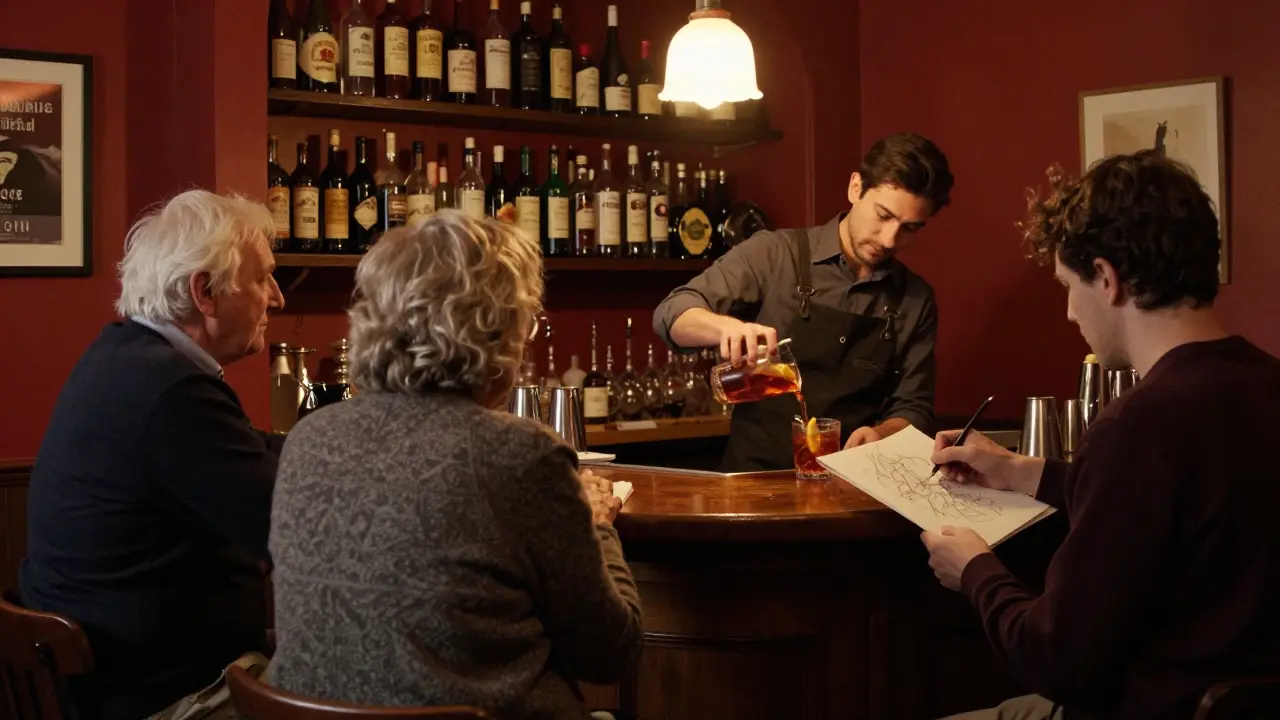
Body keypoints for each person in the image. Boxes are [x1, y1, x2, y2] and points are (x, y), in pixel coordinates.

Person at [923, 150, 1280, 719]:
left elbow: (1059, 660)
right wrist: (1025, 472)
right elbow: (1180, 501)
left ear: (1107, 279)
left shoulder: (1136, 426)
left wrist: (974, 568)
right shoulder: (1263, 386)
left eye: (1068, 285)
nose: (1068, 311)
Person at [267, 210, 644, 719]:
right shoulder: (519, 454)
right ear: (496, 333)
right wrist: (599, 526)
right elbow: (610, 652)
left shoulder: (309, 438)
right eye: (523, 321)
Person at [19, 190, 285, 720]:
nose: (276, 298)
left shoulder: (124, 356)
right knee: (372, 682)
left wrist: (336, 443)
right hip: (162, 697)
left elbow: (246, 446)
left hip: (105, 677)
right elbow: (294, 527)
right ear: (205, 292)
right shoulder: (172, 394)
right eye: (262, 278)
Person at [653, 133, 954, 472]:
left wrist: (881, 434)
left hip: (853, 488)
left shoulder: (915, 299)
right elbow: (671, 314)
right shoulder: (775, 253)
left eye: (909, 228)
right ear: (856, 188)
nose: (889, 239)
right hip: (752, 482)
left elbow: (913, 408)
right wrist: (726, 327)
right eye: (883, 215)